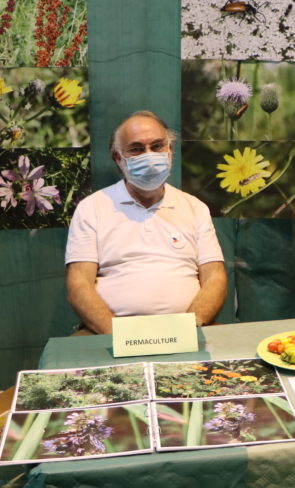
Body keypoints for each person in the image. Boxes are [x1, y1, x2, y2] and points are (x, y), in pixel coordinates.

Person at [65, 111, 227, 333]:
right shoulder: (92, 208)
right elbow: (79, 284)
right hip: (108, 333)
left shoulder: (195, 207)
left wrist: (188, 329)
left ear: (170, 151)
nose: (149, 155)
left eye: (157, 146)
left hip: (190, 330)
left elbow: (215, 278)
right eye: (136, 149)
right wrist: (122, 337)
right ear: (118, 158)